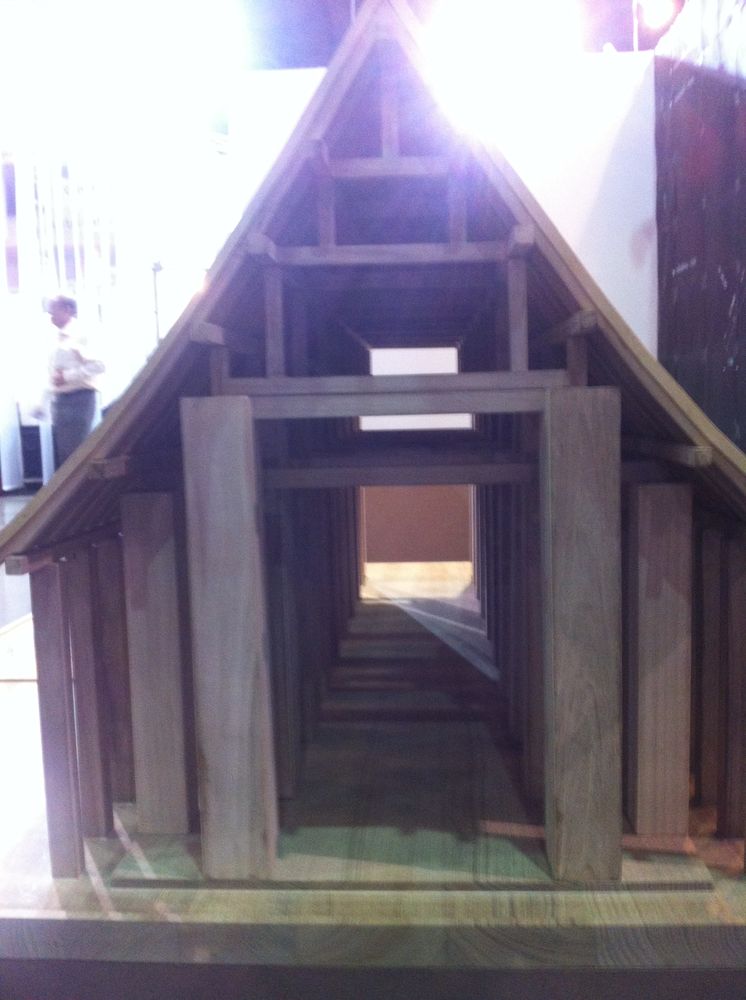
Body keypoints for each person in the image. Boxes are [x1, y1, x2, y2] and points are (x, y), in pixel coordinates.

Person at [44, 295, 105, 468]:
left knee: (76, 454)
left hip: (79, 399)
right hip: (60, 400)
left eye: (54, 309)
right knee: (65, 455)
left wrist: (67, 377)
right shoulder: (56, 338)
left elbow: (99, 365)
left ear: (68, 310)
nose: (50, 314)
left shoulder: (82, 334)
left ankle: (83, 486)